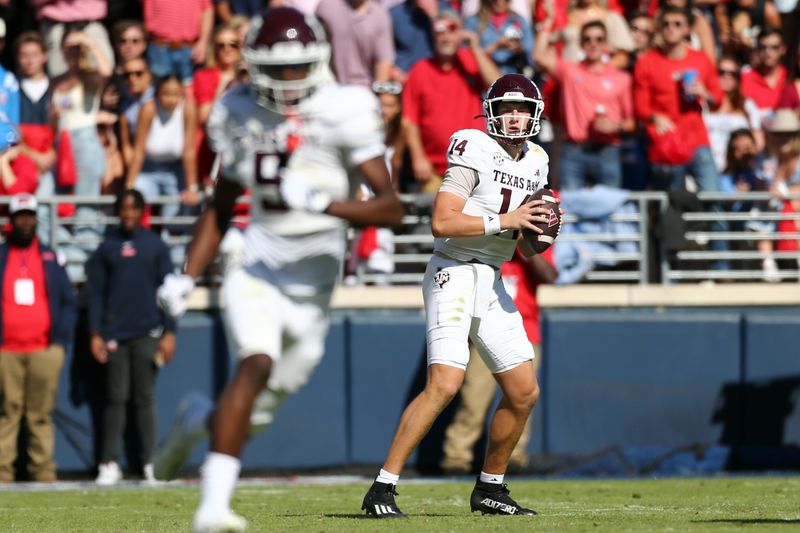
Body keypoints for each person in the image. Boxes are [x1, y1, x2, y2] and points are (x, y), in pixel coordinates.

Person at [151, 8, 404, 532]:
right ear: (255, 65)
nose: (288, 80)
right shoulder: (238, 109)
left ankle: (197, 420)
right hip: (256, 262)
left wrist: (323, 202)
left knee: (258, 410)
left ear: (317, 61)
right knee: (256, 363)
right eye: (278, 68)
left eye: (297, 68)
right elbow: (221, 206)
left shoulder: (346, 108)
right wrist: (186, 275)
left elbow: (391, 208)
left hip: (313, 282)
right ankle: (212, 508)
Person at [361, 73, 553, 518]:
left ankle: (491, 487)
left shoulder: (538, 160)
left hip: (491, 276)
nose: (514, 115)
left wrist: (538, 234)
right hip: (452, 270)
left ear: (536, 113)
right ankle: (382, 488)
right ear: (490, 112)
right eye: (506, 107)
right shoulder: (473, 146)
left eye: (522, 108)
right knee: (445, 383)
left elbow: (524, 243)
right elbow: (443, 222)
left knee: (524, 391)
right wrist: (507, 220)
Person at [86, 189, 177, 485]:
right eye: (123, 208)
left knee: (144, 398)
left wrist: (170, 331)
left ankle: (151, 461)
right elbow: (96, 294)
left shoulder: (155, 246)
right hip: (114, 334)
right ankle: (110, 461)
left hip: (147, 333)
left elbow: (170, 292)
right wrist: (96, 332)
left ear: (142, 211)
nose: (128, 214)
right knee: (114, 399)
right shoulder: (107, 247)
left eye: (133, 208)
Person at [440, 248, 556, 474]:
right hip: (484, 331)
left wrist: (526, 248)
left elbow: (549, 276)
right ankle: (456, 457)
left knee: (521, 398)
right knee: (474, 397)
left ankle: (513, 457)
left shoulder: (531, 240)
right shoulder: (487, 242)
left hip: (525, 331)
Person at [634, 5, 729, 270]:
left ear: (687, 29)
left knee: (714, 199)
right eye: (666, 24)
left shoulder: (700, 60)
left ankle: (721, 268)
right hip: (667, 148)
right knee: (669, 208)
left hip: (697, 142)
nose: (671, 29)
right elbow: (640, 107)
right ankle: (669, 270)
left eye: (677, 24)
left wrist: (704, 93)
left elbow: (719, 100)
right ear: (659, 28)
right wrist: (655, 117)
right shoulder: (647, 62)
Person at [0, 193, 77, 483]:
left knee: (40, 414)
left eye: (29, 215)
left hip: (44, 348)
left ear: (36, 218)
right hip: (6, 349)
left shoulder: (50, 257)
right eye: (20, 216)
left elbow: (68, 302)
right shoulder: (2, 256)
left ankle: (43, 472)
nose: (25, 221)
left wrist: (60, 343)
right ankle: (3, 473)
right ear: (11, 220)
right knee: (8, 413)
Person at [402, 10, 500, 192]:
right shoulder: (420, 70)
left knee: (474, 218)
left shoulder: (470, 61)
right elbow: (409, 120)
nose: (446, 37)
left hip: (474, 166)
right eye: (440, 31)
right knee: (435, 219)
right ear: (433, 36)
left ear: (460, 33)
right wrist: (418, 157)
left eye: (452, 30)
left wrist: (475, 48)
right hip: (435, 170)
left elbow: (499, 86)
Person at [535, 20, 635, 190]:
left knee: (609, 209)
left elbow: (631, 123)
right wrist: (548, 22)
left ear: (606, 44)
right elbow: (539, 56)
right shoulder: (570, 71)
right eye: (587, 39)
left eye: (598, 39)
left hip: (608, 150)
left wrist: (616, 126)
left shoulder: (621, 78)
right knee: (571, 211)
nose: (593, 44)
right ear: (581, 44)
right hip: (574, 150)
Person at [125, 75, 200, 221]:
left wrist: (192, 187)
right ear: (157, 94)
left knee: (175, 214)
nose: (170, 99)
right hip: (148, 169)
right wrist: (129, 185)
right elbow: (139, 150)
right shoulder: (148, 108)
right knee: (134, 202)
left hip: (176, 170)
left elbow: (189, 150)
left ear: (182, 94)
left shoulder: (188, 108)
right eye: (166, 94)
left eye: (176, 94)